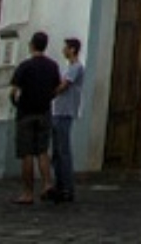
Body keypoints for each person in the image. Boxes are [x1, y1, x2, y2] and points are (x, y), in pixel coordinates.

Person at [9, 30, 61, 204]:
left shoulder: (25, 66)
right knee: (42, 151)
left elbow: (14, 91)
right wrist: (47, 98)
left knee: (27, 154)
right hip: (44, 112)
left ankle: (27, 192)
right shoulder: (52, 66)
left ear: (32, 45)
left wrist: (16, 103)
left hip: (26, 113)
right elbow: (56, 88)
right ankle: (47, 184)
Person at [51, 37, 85, 203]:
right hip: (58, 111)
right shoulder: (68, 67)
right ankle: (59, 185)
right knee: (57, 152)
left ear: (72, 49)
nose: (63, 50)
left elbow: (64, 86)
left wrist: (49, 93)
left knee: (63, 151)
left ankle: (67, 188)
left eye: (66, 48)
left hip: (65, 112)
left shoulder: (76, 67)